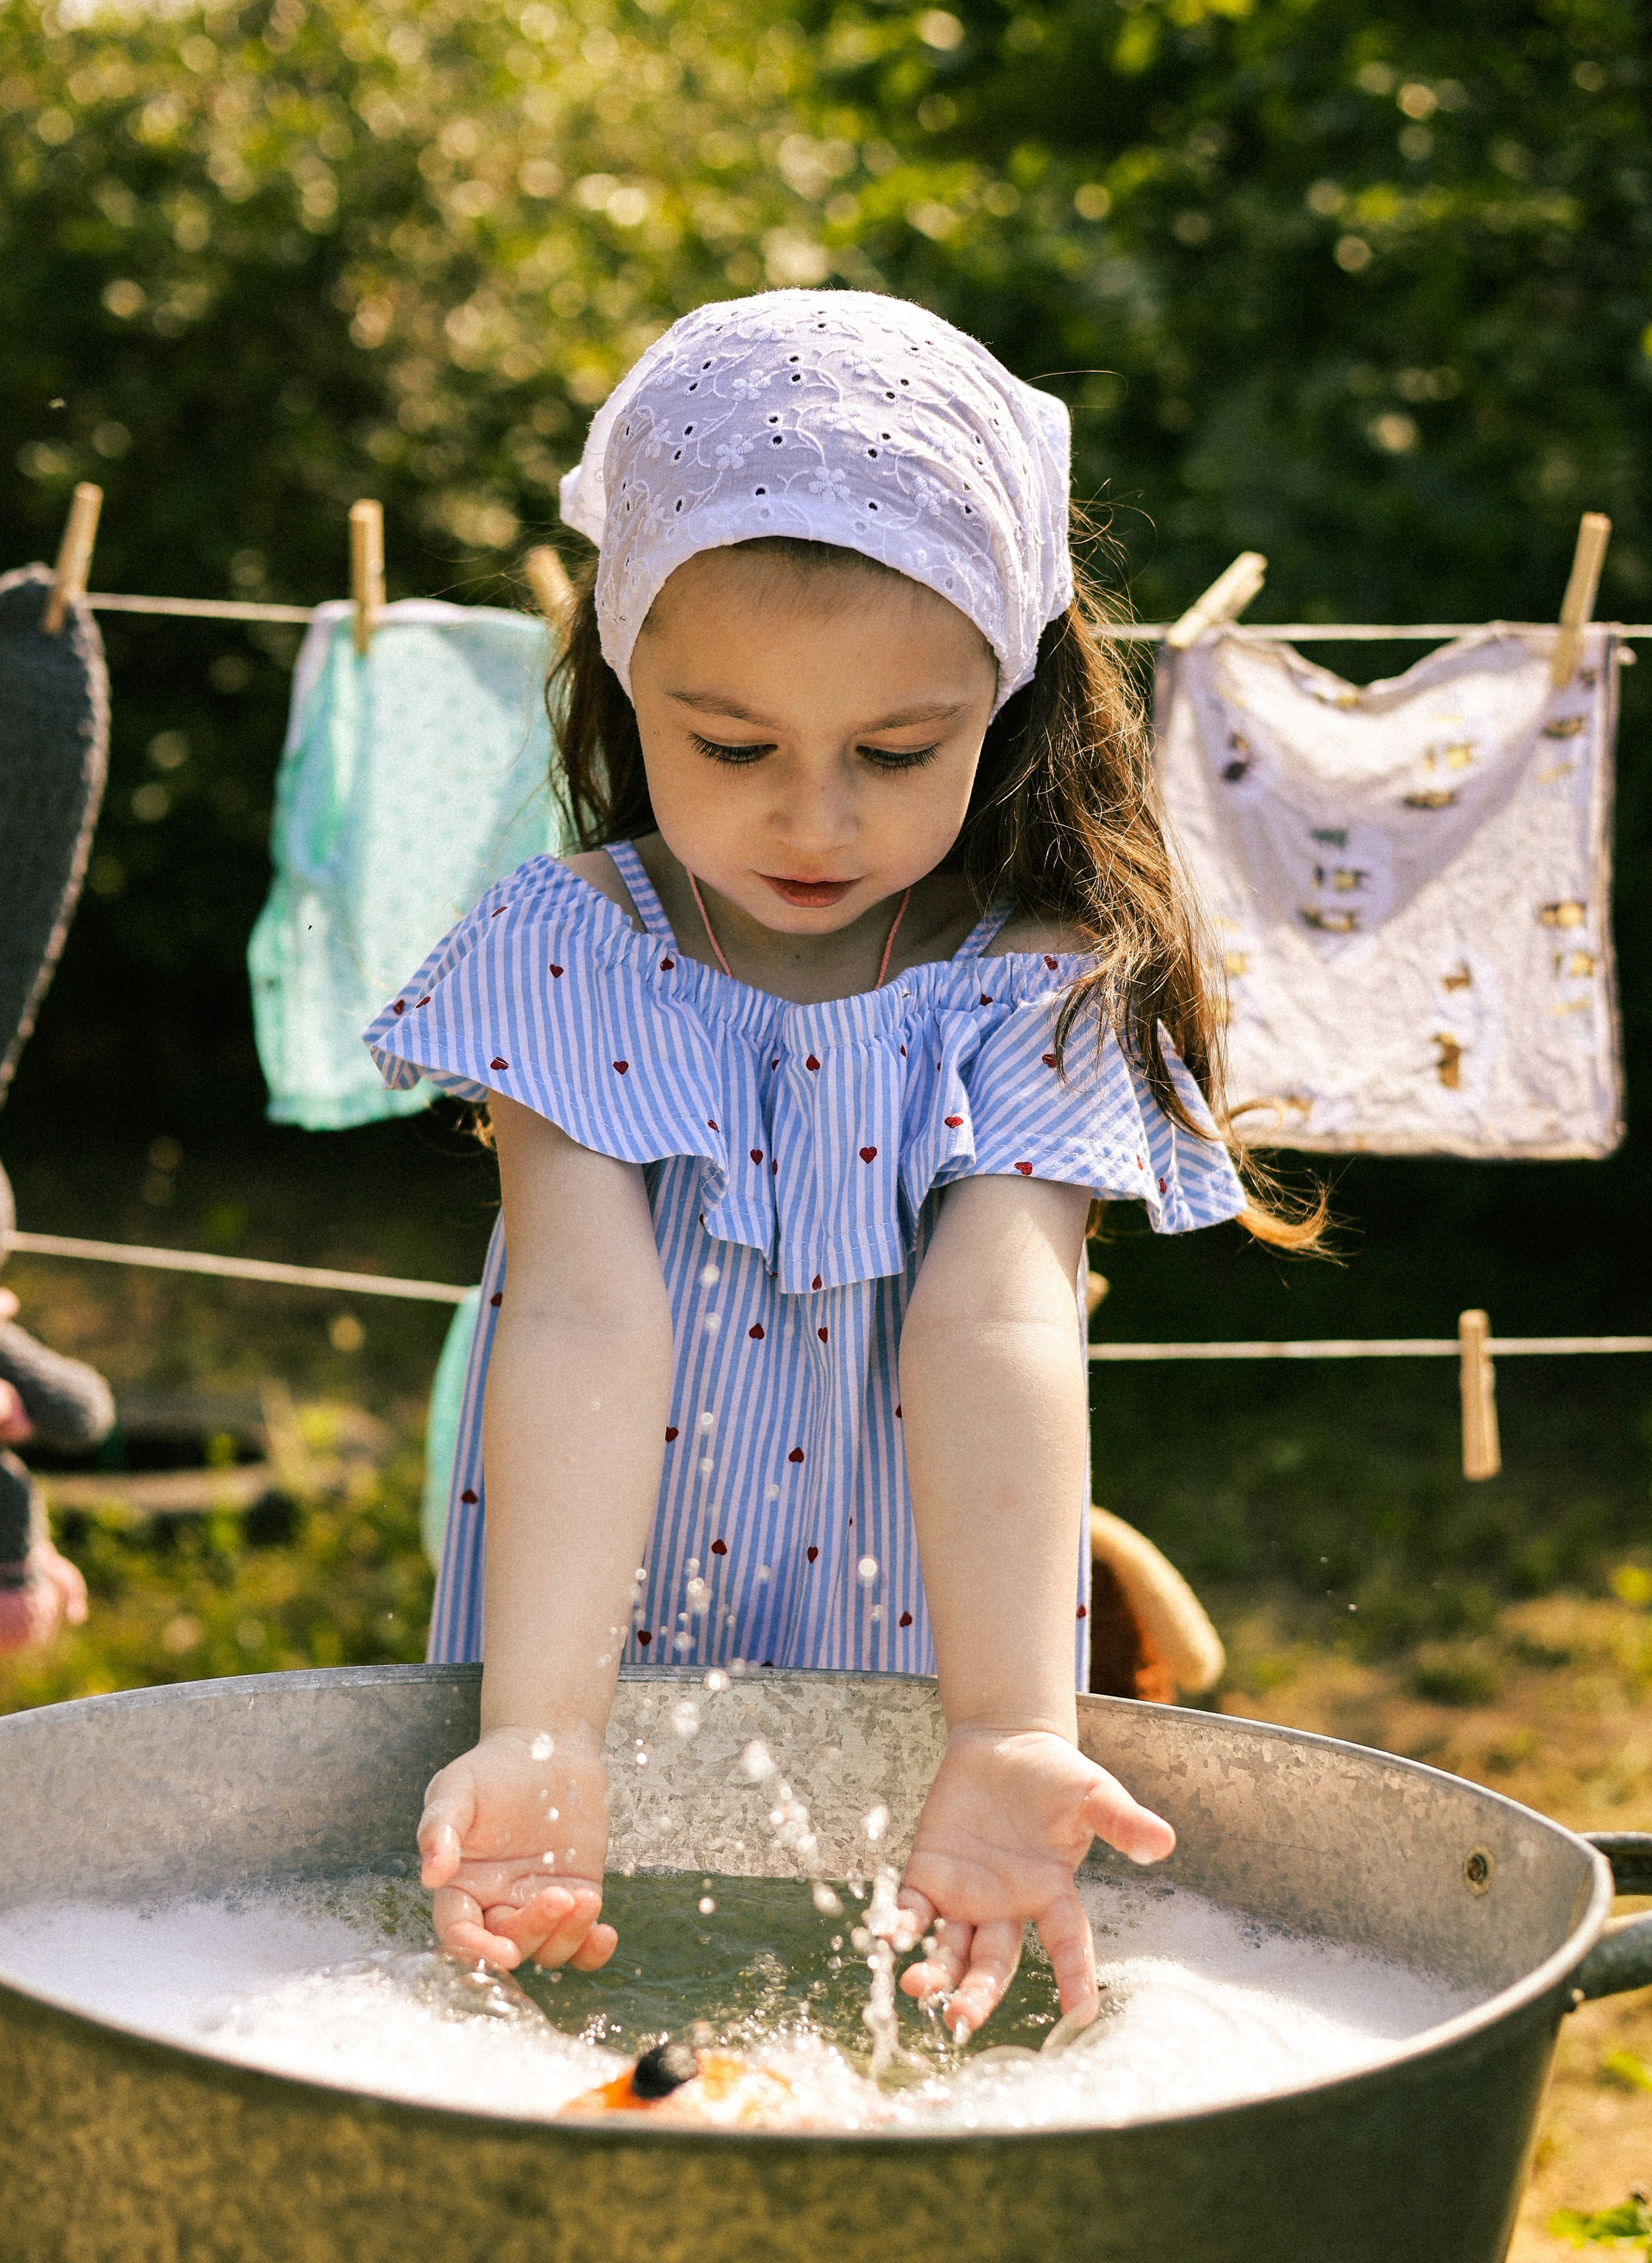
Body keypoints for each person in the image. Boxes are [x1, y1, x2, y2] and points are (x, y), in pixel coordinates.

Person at [365, 290, 1314, 2040]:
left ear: (1006, 697)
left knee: (829, 2032)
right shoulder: (571, 946)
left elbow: (995, 1327)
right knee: (569, 2032)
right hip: (585, 1606)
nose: (815, 821)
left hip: (911, 1627)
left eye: (896, 752)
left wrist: (1010, 1729)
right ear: (617, 675)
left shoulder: (1030, 983)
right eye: (729, 745)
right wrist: (546, 1729)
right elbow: (582, 1315)